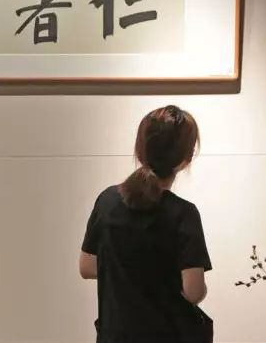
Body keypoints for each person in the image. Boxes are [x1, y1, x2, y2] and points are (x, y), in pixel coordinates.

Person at [79, 105, 213, 343]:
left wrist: (127, 270)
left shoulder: (107, 201)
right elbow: (193, 292)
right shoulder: (183, 214)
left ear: (141, 150)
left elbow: (86, 266)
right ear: (185, 159)